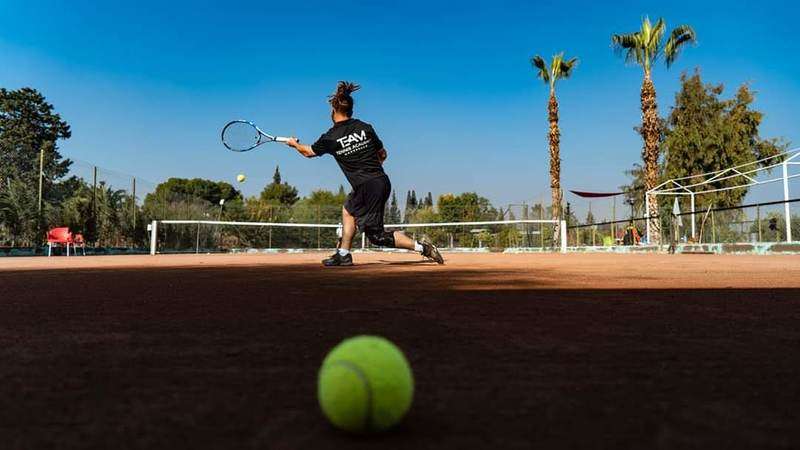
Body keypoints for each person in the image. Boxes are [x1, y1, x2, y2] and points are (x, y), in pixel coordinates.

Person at [285, 81, 444, 266]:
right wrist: (373, 170)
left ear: (333, 111)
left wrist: (294, 144)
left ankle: (424, 248)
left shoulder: (330, 137)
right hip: (379, 181)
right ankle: (343, 254)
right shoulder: (365, 127)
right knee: (348, 210)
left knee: (376, 237)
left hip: (368, 186)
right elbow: (383, 153)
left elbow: (308, 152)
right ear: (350, 110)